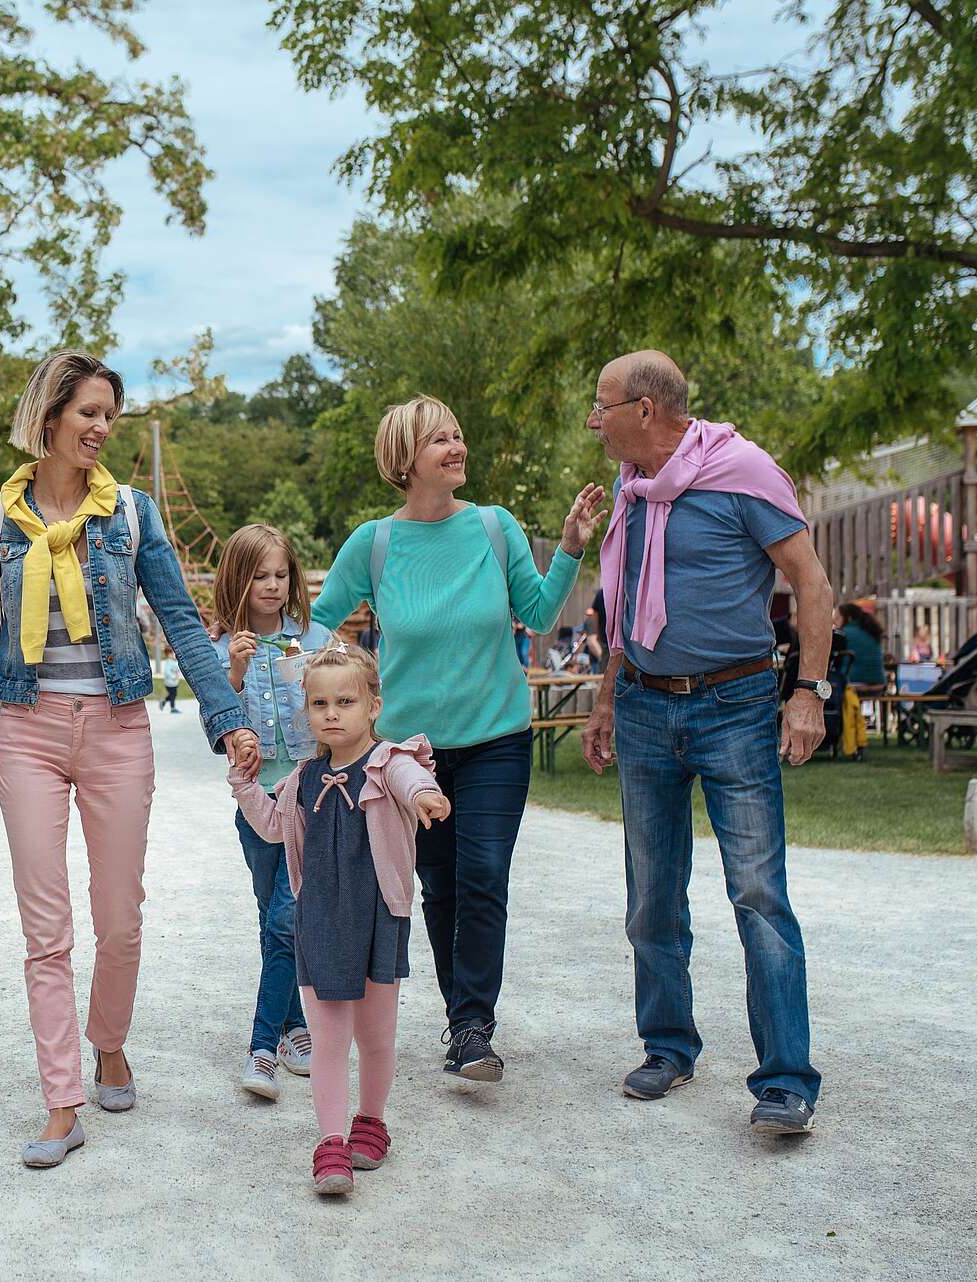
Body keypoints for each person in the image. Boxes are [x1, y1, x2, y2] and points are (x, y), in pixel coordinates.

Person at [0, 349, 257, 1168]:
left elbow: (182, 620)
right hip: (29, 729)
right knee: (47, 929)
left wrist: (227, 717)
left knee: (119, 919)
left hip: (118, 728)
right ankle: (62, 1100)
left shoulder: (133, 516)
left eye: (109, 415)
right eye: (88, 412)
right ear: (48, 418)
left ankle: (109, 1040)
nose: (102, 428)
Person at [313, 395, 604, 1084]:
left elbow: (536, 612)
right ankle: (463, 1024)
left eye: (458, 434)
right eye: (439, 439)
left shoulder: (495, 528)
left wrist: (568, 548)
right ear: (404, 459)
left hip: (497, 739)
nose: (456, 446)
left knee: (482, 876)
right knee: (438, 886)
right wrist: (341, 695)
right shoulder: (375, 544)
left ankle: (474, 1024)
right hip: (411, 756)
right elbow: (317, 629)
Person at [579, 350, 832, 1138]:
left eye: (603, 405)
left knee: (757, 893)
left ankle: (786, 1079)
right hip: (647, 706)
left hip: (737, 704)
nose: (595, 420)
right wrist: (607, 696)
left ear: (645, 410)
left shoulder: (745, 472)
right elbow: (627, 600)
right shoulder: (635, 488)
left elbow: (813, 587)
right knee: (651, 894)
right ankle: (667, 1046)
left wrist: (808, 694)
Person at [230, 644, 449, 1195]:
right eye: (320, 703)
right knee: (328, 1037)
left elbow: (410, 781)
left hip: (379, 916)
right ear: (307, 710)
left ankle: (370, 1121)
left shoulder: (389, 761)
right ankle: (330, 1143)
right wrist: (244, 784)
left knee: (376, 1035)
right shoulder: (303, 777)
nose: (332, 713)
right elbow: (273, 827)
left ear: (373, 705)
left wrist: (427, 796)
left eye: (346, 701)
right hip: (321, 919)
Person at [209, 523, 336, 1101]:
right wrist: (232, 675)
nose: (273, 584)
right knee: (273, 918)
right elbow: (211, 730)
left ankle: (266, 1044)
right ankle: (291, 1026)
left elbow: (345, 703)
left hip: (309, 799)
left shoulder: (313, 639)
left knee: (288, 916)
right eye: (260, 575)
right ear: (237, 578)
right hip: (257, 806)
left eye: (281, 574)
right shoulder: (218, 650)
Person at [159, 647, 182, 712]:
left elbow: (177, 668)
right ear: (168, 654)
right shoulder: (168, 662)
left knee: (173, 695)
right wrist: (173, 676)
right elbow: (167, 671)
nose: (173, 655)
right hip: (170, 682)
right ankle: (172, 708)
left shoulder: (173, 661)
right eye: (172, 654)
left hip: (174, 682)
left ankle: (163, 701)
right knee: (173, 695)